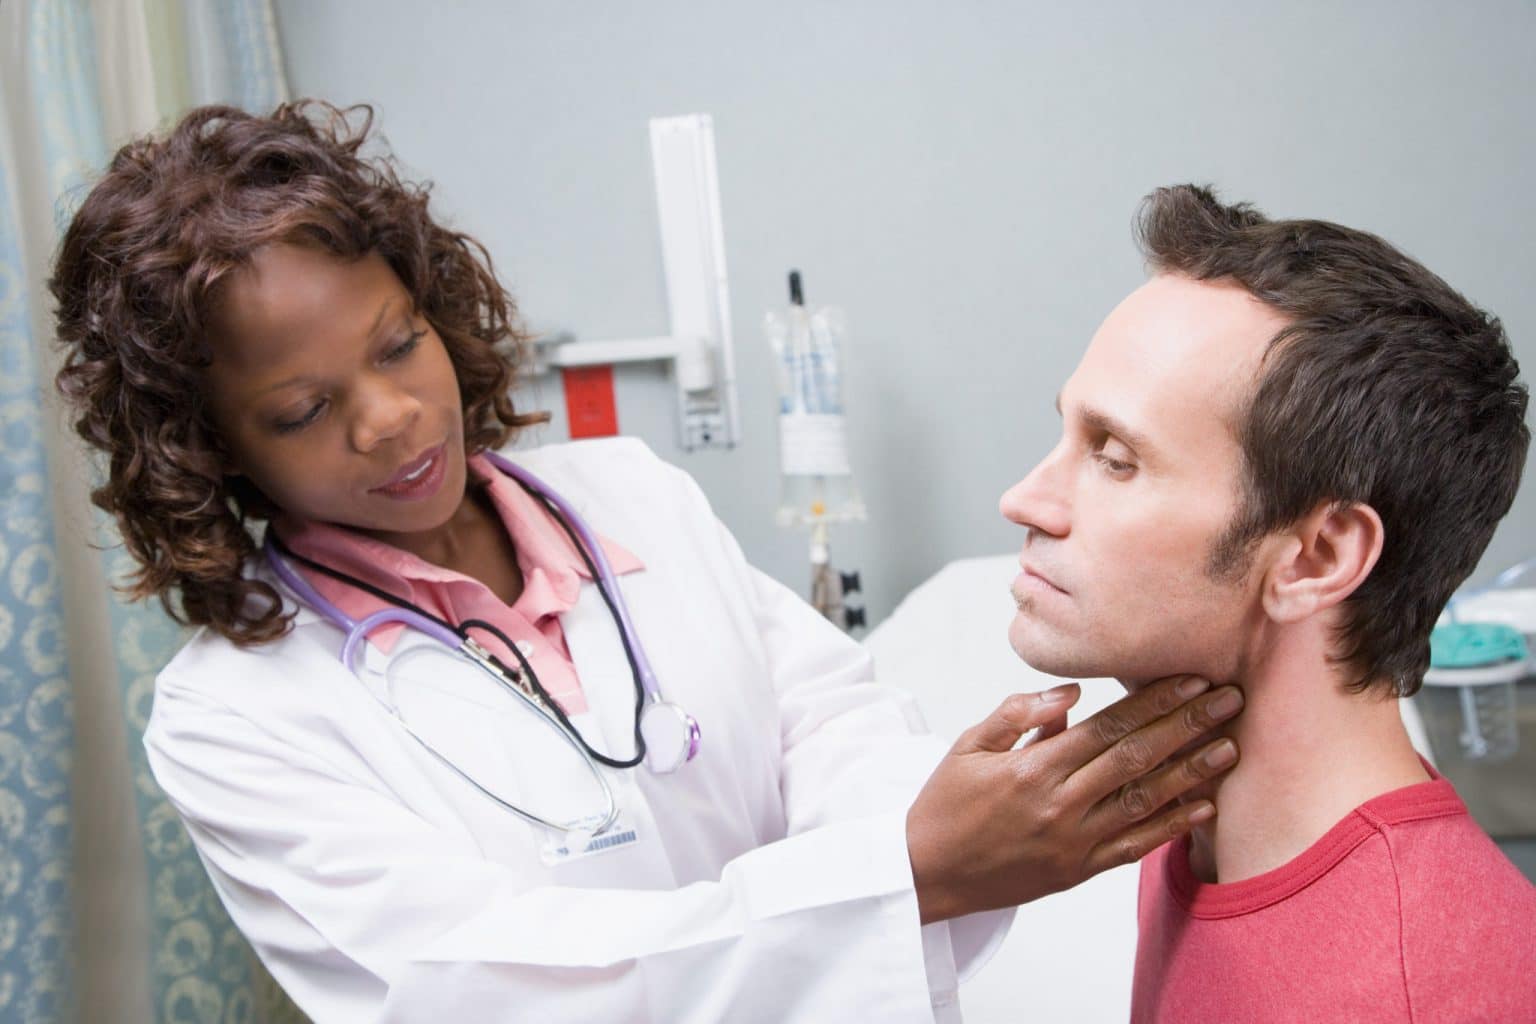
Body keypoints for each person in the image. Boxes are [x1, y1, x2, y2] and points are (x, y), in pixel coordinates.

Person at [50, 103, 1244, 1023]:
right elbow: (486, 991)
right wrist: (901, 878)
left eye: (399, 344)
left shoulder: (633, 498)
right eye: (306, 409)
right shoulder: (237, 714)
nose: (393, 420)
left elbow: (829, 725)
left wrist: (932, 844)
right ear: (208, 450)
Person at [1000, 183, 1536, 1023]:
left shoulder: (1434, 989)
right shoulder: (1194, 834)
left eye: (1114, 458)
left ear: (1316, 557)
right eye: (1067, 433)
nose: (1025, 500)